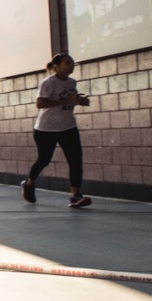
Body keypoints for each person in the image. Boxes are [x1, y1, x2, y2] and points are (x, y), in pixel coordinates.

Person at [23, 53, 92, 208]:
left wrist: (80, 101)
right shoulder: (48, 83)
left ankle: (75, 195)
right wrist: (66, 100)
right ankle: (29, 184)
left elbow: (69, 100)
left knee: (75, 160)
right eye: (67, 63)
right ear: (56, 67)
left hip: (68, 127)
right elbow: (40, 103)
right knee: (44, 159)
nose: (71, 65)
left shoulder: (72, 82)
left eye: (72, 62)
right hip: (46, 129)